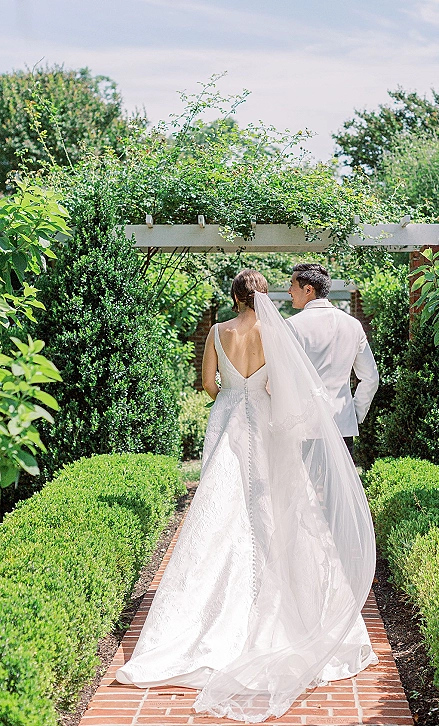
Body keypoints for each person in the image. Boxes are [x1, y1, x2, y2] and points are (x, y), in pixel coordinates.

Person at [115, 269, 377, 723]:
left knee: (220, 507)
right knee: (276, 506)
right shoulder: (277, 334)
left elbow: (210, 386)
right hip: (267, 423)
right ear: (262, 297)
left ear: (235, 296)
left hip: (228, 418)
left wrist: (235, 392)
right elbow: (283, 387)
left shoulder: (217, 332)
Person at [287, 263, 379, 456]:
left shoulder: (292, 326)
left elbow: (285, 379)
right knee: (339, 487)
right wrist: (354, 413)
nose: (289, 291)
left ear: (308, 289)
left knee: (307, 487)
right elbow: (371, 378)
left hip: (304, 427)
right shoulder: (353, 325)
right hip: (342, 424)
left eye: (292, 285)